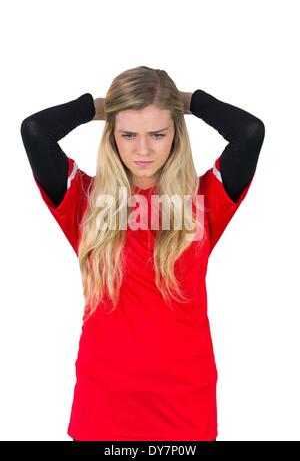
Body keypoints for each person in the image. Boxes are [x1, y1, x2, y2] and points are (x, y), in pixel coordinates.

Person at [20, 65, 265, 442]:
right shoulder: (85, 200)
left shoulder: (202, 200)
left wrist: (183, 101)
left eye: (157, 133)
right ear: (112, 135)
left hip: (186, 407)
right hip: (102, 407)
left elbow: (250, 133)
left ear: (176, 134)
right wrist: (102, 107)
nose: (143, 149)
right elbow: (35, 131)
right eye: (128, 133)